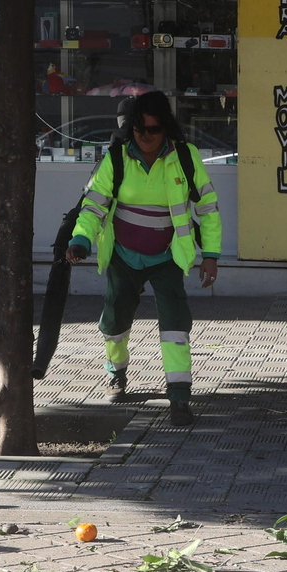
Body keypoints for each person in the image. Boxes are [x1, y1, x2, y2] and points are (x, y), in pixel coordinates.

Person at [66, 90, 221, 426]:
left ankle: (179, 397)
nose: (146, 137)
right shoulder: (117, 159)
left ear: (166, 128)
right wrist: (81, 239)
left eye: (153, 130)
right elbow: (92, 206)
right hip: (123, 257)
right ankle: (116, 372)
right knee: (114, 323)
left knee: (175, 324)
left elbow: (207, 209)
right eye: (139, 130)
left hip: (167, 257)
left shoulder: (185, 157)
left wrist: (210, 255)